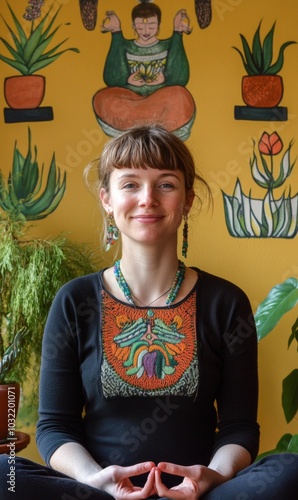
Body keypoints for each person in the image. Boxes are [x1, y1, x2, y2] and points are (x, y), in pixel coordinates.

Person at [0, 124, 297, 500]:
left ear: (187, 199)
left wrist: (211, 476)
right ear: (107, 199)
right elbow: (55, 427)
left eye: (166, 184)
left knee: (289, 471)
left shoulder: (225, 302)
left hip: (201, 495)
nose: (147, 199)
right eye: (130, 184)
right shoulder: (75, 300)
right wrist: (97, 479)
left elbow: (239, 428)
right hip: (99, 494)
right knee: (2, 474)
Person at [93, 1, 196, 141]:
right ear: (133, 26)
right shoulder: (125, 45)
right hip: (131, 103)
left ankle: (150, 129)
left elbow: (181, 78)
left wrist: (178, 33)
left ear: (159, 25)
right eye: (140, 27)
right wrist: (116, 33)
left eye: (151, 26)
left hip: (160, 103)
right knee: (103, 98)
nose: (146, 31)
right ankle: (140, 128)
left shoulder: (168, 44)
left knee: (180, 96)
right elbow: (111, 78)